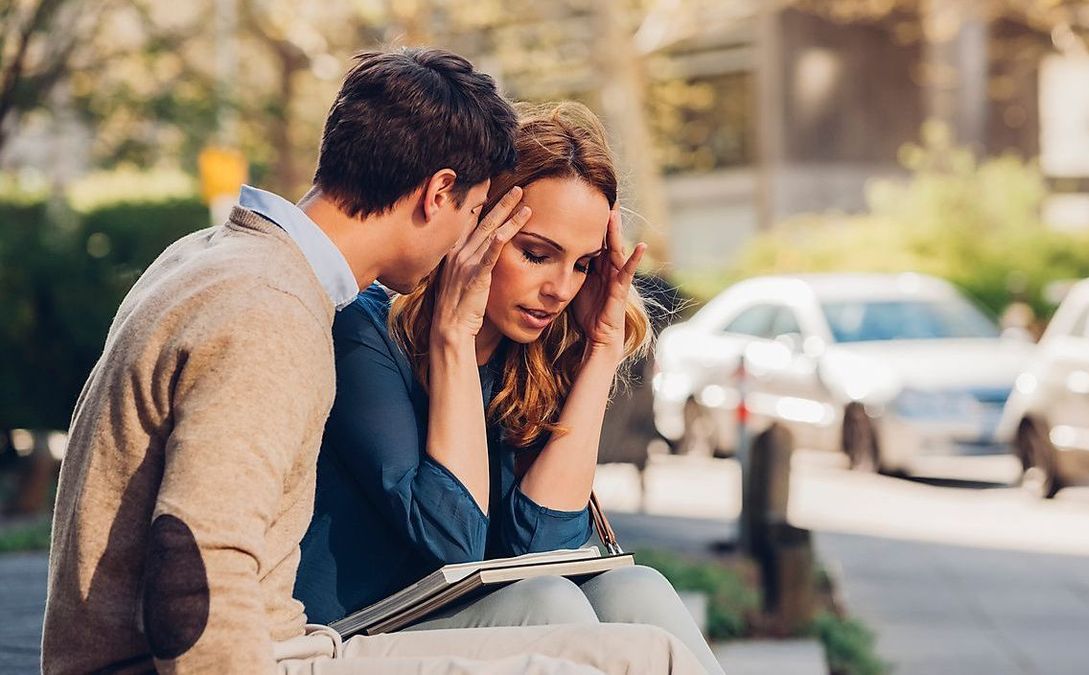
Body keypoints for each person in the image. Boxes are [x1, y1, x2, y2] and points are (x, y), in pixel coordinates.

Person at [41, 49, 705, 675]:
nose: (465, 241)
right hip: (278, 652)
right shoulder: (271, 309)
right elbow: (198, 569)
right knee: (634, 653)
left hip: (282, 643)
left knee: (636, 612)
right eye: (477, 211)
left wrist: (599, 347)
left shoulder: (225, 264)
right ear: (438, 194)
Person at [295, 102, 725, 675]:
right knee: (547, 604)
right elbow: (450, 541)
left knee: (636, 592)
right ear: (477, 227)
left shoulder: (535, 356)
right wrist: (453, 338)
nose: (560, 290)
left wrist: (602, 349)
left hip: (475, 614)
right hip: (353, 631)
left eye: (582, 266)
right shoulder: (363, 329)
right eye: (537, 254)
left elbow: (544, 551)